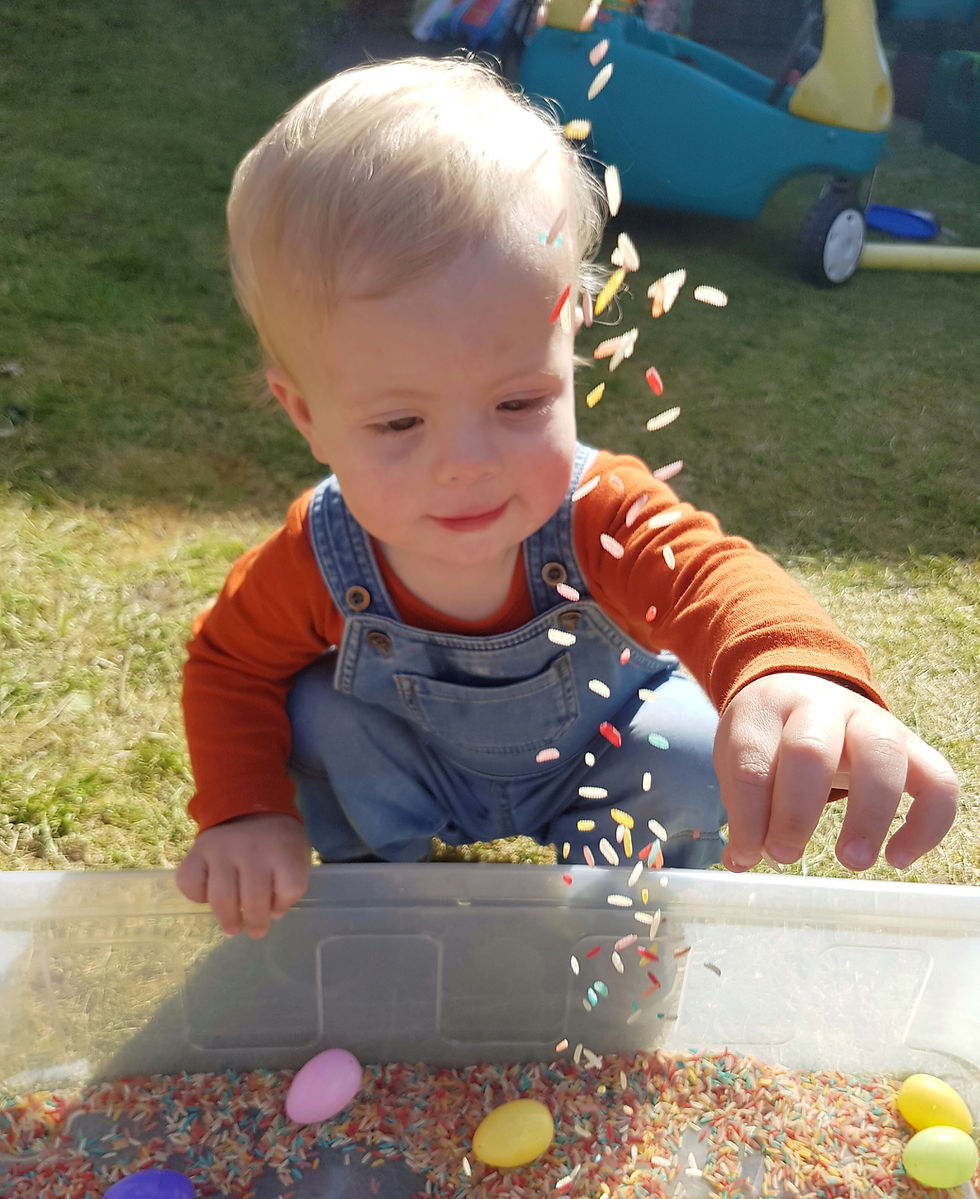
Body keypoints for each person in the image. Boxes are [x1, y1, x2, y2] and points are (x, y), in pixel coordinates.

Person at [176, 56, 958, 939]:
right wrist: (243, 811)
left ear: (569, 343)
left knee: (694, 744)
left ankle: (613, 918)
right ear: (306, 414)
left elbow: (712, 577)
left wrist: (792, 671)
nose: (468, 464)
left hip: (599, 764)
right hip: (416, 772)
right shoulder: (318, 556)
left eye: (518, 403)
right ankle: (376, 904)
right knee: (313, 713)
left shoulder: (595, 512)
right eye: (399, 424)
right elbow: (228, 664)